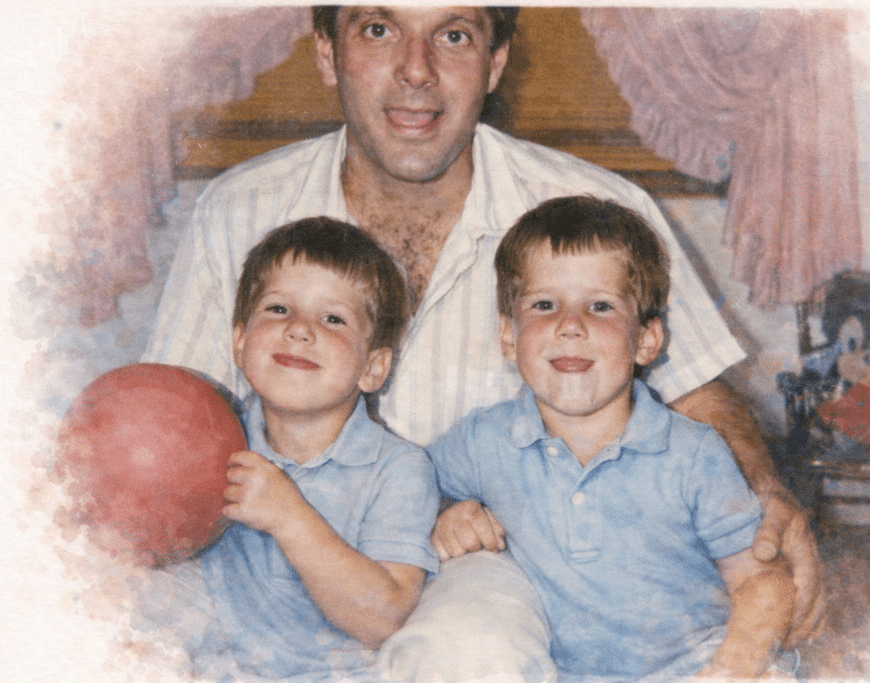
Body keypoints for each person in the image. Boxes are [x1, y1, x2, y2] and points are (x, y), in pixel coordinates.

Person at [142, 5, 823, 678]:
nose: (417, 71)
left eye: (454, 35)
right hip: (276, 561)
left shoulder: (593, 210)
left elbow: (697, 393)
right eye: (378, 30)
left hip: (493, 571)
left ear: (494, 63)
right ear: (326, 53)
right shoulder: (237, 210)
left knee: (470, 651)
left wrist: (764, 495)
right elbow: (169, 427)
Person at [425, 196, 796, 681]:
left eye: (600, 306)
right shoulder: (483, 440)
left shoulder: (692, 453)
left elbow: (765, 583)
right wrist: (444, 513)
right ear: (509, 336)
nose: (570, 325)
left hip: (703, 667)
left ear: (646, 340)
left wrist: (729, 671)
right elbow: (404, 490)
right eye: (544, 304)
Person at [136, 217, 439, 681]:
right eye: (278, 309)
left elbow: (383, 620)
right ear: (240, 342)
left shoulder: (399, 469)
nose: (299, 329)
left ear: (373, 368)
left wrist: (288, 515)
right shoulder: (212, 436)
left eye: (332, 319)